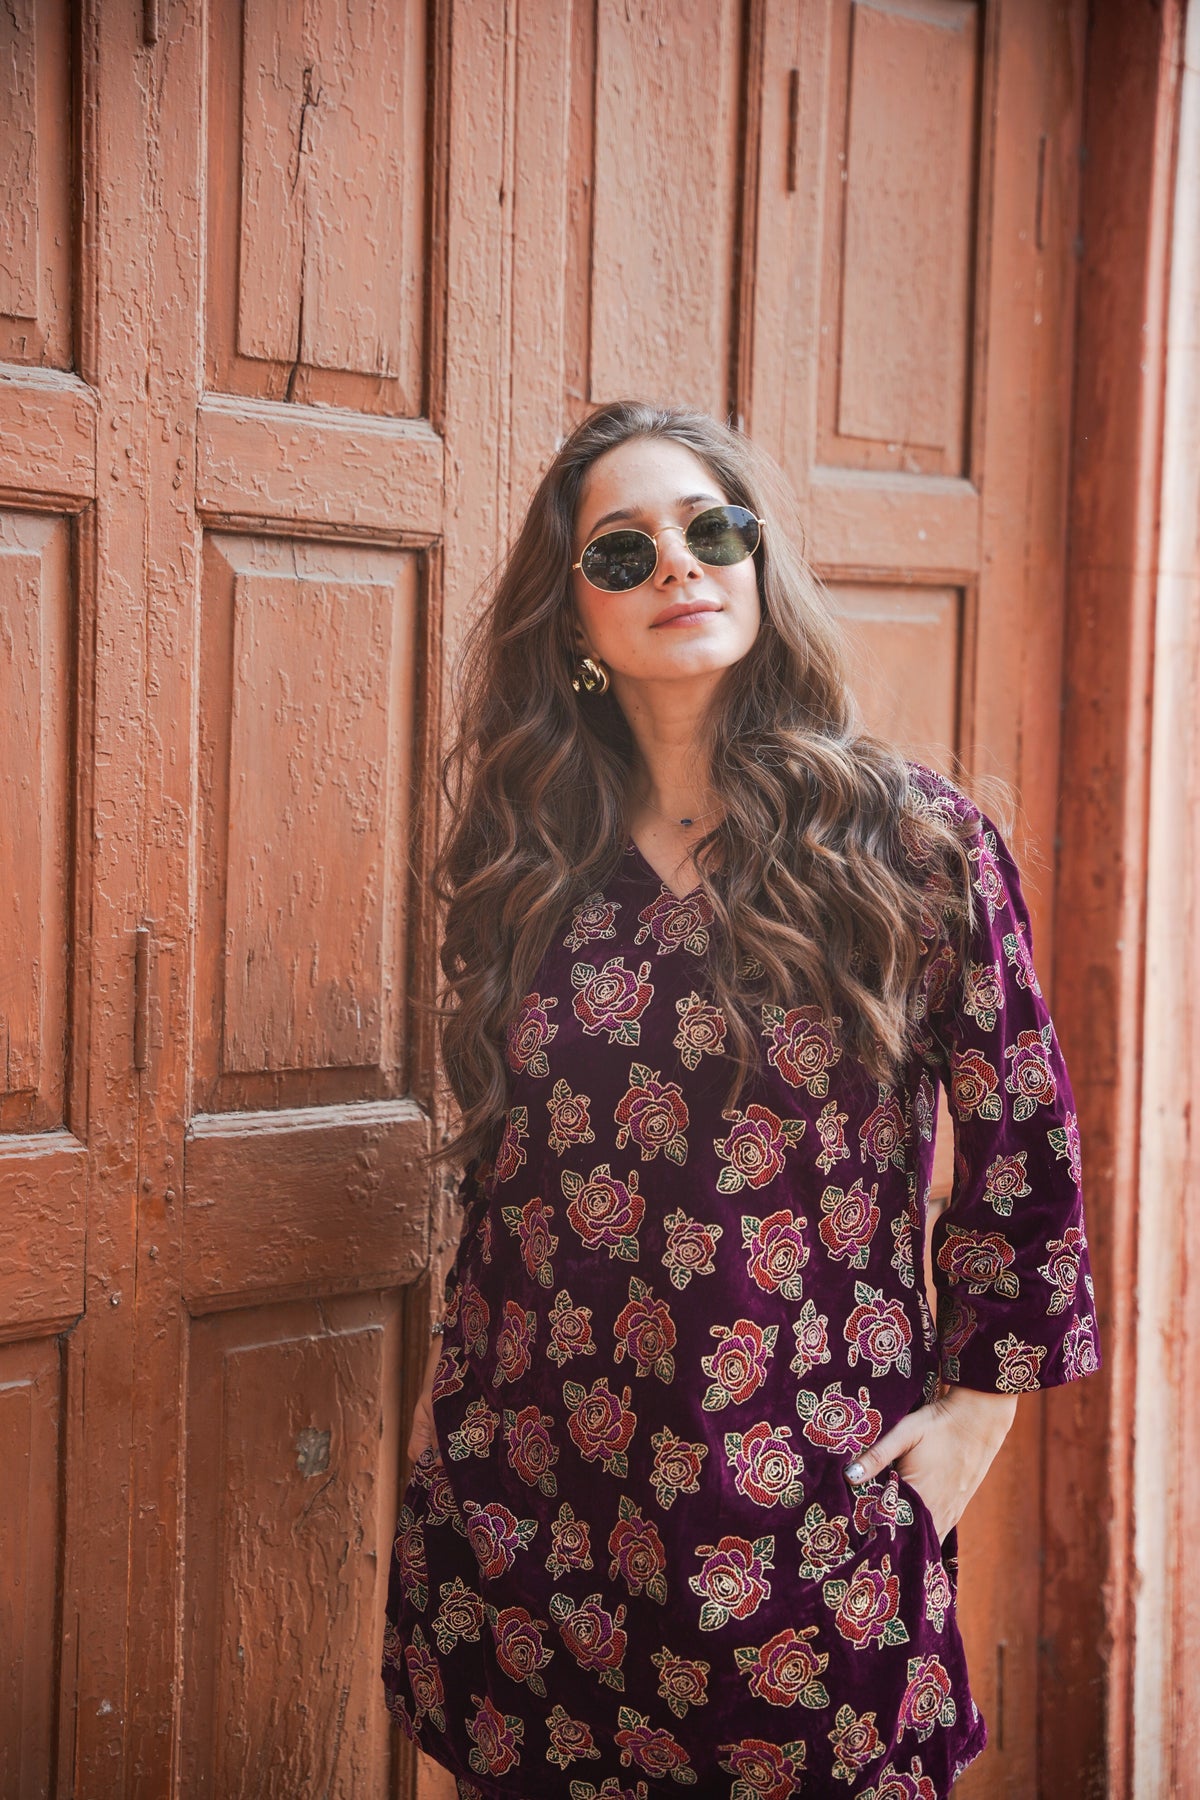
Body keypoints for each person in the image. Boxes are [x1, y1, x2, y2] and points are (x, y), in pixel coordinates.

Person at [381, 400, 1100, 1799]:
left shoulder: (905, 844)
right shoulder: (535, 857)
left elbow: (1023, 1141)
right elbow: (509, 1171)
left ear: (759, 564)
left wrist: (975, 1421)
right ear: (574, 618)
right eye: (622, 549)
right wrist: (439, 1420)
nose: (677, 564)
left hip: (801, 1510)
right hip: (534, 1498)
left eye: (711, 530)